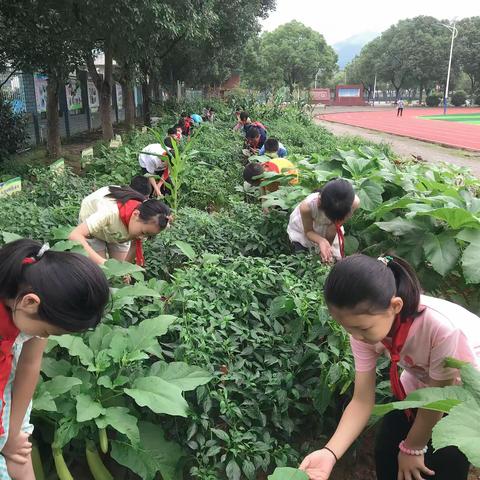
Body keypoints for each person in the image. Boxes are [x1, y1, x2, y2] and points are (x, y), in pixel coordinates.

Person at [300, 254, 478, 480]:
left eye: (362, 328)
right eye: (347, 328)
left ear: (395, 306)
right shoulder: (364, 331)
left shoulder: (441, 328)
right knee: (387, 452)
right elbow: (362, 400)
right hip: (419, 383)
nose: (355, 336)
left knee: (442, 462)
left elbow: (438, 400)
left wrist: (413, 447)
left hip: (463, 396)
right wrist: (329, 453)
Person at [0, 239, 109, 479]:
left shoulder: (39, 300)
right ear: (30, 303)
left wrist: (13, 433)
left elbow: (29, 364)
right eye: (48, 332)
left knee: (18, 447)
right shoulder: (30, 309)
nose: (43, 337)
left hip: (8, 375)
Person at [69, 186, 171, 266]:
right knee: (101, 271)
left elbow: (134, 246)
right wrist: (102, 262)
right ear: (136, 214)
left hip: (119, 229)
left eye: (147, 235)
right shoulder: (109, 212)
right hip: (94, 229)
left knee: (119, 276)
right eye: (143, 233)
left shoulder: (147, 224)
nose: (142, 237)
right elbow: (74, 235)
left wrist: (125, 271)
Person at [287, 179, 360, 263]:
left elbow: (333, 227)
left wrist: (328, 246)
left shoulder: (353, 203)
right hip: (305, 227)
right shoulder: (307, 207)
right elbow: (308, 231)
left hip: (331, 228)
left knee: (333, 257)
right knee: (302, 256)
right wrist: (321, 241)